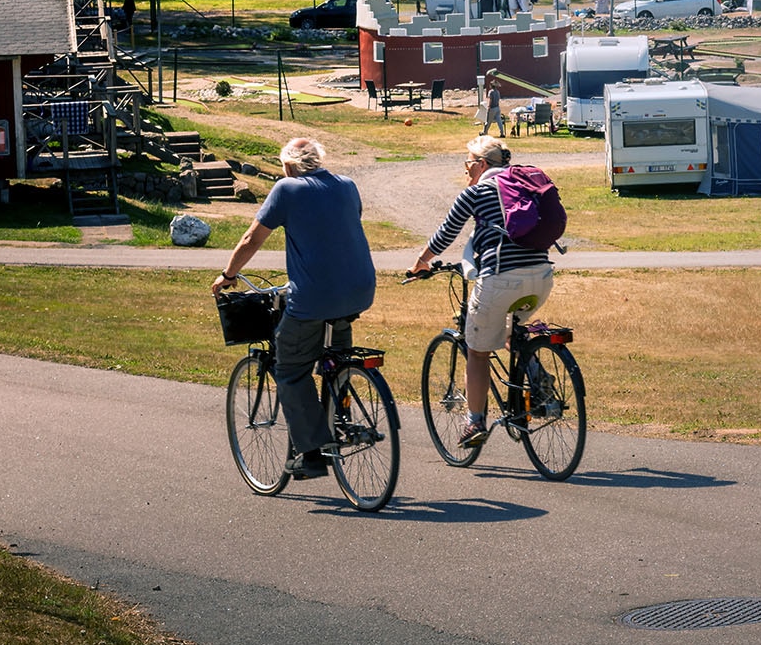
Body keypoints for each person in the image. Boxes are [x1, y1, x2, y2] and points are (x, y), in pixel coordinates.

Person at [211, 138, 376, 480]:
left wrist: (229, 275)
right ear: (319, 160)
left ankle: (312, 453)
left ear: (288, 165)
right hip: (360, 292)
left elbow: (251, 239)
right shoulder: (347, 185)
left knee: (290, 368)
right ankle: (339, 411)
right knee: (337, 357)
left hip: (314, 297)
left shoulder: (287, 189)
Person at [410, 136, 553, 448]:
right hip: (542, 277)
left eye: (468, 163)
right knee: (510, 328)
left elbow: (446, 233)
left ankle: (474, 422)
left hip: (500, 278)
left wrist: (421, 263)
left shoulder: (476, 192)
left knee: (477, 350)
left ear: (482, 165)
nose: (465, 170)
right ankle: (537, 374)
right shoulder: (527, 184)